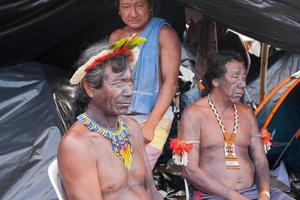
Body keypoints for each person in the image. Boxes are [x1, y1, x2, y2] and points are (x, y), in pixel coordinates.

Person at [177, 51, 294, 199]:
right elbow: (189, 170)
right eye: (235, 77)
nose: (243, 84)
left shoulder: (247, 113)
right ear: (215, 81)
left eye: (244, 77)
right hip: (213, 195)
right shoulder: (193, 114)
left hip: (252, 192)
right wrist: (232, 196)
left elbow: (260, 159)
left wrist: (264, 192)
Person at [57, 39, 162, 200]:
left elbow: (152, 191)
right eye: (118, 83)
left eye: (129, 82)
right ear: (90, 88)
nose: (128, 92)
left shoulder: (132, 127)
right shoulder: (77, 145)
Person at [109, 0, 181, 170]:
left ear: (151, 7)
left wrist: (150, 125)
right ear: (119, 10)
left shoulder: (164, 33)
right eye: (126, 7)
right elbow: (111, 82)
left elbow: (170, 83)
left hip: (154, 116)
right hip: (121, 117)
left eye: (139, 5)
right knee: (114, 173)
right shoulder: (116, 37)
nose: (133, 13)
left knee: (138, 173)